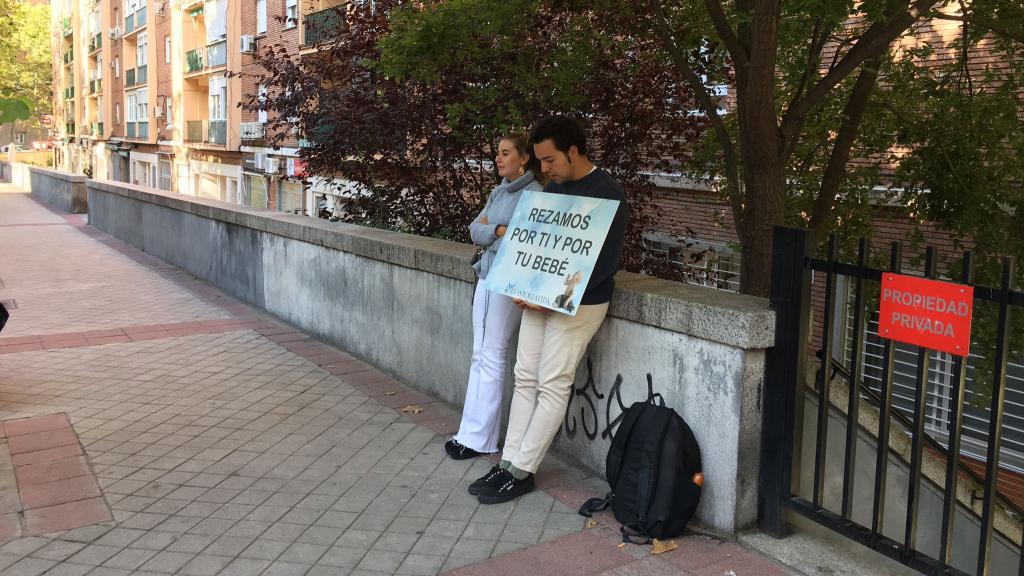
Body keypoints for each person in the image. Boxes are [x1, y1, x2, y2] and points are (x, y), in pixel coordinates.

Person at [468, 116, 628, 504]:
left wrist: (545, 294)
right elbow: (533, 246)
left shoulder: (607, 193)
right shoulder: (552, 190)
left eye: (550, 160)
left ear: (573, 151)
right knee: (525, 377)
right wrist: (524, 286)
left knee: (552, 382)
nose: (544, 169)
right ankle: (508, 463)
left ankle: (523, 469)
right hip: (537, 299)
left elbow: (602, 264)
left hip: (579, 304)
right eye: (539, 161)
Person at [444, 133, 544, 460]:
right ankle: (474, 433)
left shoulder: (534, 194)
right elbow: (476, 229)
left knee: (490, 354)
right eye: (497, 153)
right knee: (484, 353)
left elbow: (524, 237)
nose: (499, 159)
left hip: (503, 279)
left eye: (505, 153)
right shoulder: (499, 191)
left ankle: (477, 438)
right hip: (489, 274)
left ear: (524, 157)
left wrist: (496, 228)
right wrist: (499, 229)